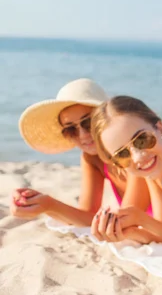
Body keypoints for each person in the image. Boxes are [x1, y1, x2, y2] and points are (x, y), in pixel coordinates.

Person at [11, 78, 149, 226]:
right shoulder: (91, 158)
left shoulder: (136, 154)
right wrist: (41, 204)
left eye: (88, 123)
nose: (82, 135)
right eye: (71, 129)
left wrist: (49, 205)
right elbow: (88, 216)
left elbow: (125, 222)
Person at [91, 96, 162, 243]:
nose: (138, 157)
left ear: (159, 127)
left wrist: (140, 218)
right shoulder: (154, 177)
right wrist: (129, 232)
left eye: (142, 140)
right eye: (123, 154)